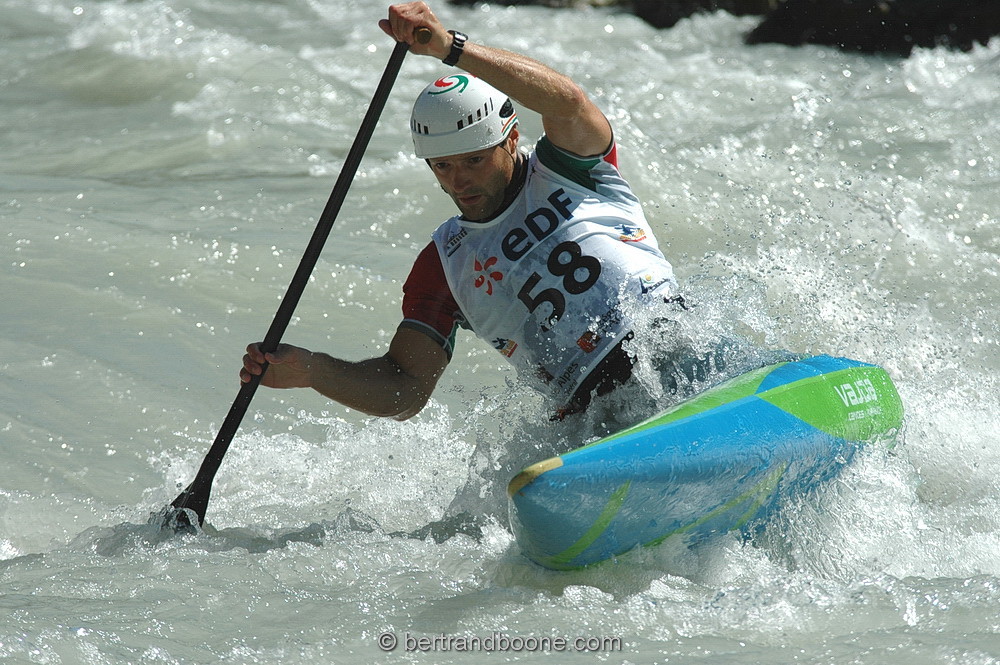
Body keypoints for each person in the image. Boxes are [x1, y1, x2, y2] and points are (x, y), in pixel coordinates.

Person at [241, 1, 681, 421]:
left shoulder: (570, 165)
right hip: (593, 416)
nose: (458, 181)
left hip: (677, 341)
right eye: (443, 166)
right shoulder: (445, 264)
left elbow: (566, 101)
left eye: (474, 160)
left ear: (511, 139)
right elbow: (406, 389)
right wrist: (313, 371)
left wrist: (449, 48)